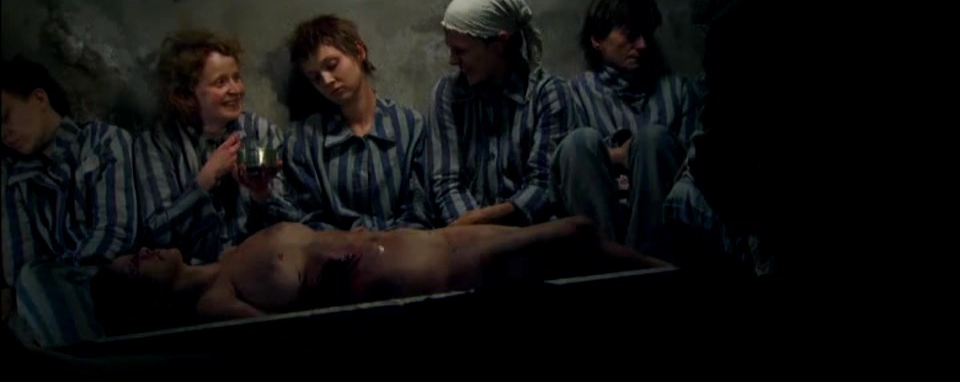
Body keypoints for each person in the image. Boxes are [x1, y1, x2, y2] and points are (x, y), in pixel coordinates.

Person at [94, 216, 669, 324]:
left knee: (583, 239)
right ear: (149, 300)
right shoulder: (215, 303)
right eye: (134, 268)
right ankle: (673, 283)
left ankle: (669, 281)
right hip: (427, 278)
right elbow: (288, 344)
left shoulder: (229, 252)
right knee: (575, 235)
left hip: (424, 240)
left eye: (133, 251)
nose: (142, 253)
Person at [1, 56, 137, 347]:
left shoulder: (103, 141)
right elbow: (21, 260)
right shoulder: (12, 175)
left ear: (39, 99)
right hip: (45, 291)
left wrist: (67, 271)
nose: (4, 133)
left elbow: (115, 229)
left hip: (105, 276)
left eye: (5, 116)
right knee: (28, 289)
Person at [551, 0, 698, 255]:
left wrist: (635, 155)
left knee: (654, 138)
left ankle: (650, 264)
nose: (642, 45)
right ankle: (607, 261)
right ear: (597, 40)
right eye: (630, 36)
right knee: (579, 142)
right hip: (601, 223)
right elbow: (568, 168)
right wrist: (622, 155)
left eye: (646, 35)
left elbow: (693, 166)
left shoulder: (678, 91)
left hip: (663, 226)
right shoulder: (576, 94)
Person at [428, 0, 579, 226]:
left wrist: (485, 226)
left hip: (532, 233)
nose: (452, 61)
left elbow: (543, 186)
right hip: (467, 238)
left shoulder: (548, 94)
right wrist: (477, 235)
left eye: (461, 51)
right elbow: (447, 182)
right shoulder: (449, 94)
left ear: (499, 44)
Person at [133, 30, 286, 264]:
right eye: (220, 82)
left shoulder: (261, 132)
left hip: (255, 264)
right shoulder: (158, 143)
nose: (236, 90)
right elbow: (156, 235)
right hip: (192, 271)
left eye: (236, 78)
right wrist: (204, 181)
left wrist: (262, 193)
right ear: (186, 95)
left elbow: (290, 223)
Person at [275, 14, 432, 230]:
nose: (327, 80)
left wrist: (388, 241)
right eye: (315, 77)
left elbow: (419, 208)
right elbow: (307, 217)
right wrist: (345, 241)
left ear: (359, 52)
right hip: (336, 249)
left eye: (332, 65)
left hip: (403, 246)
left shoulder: (409, 126)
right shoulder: (304, 139)